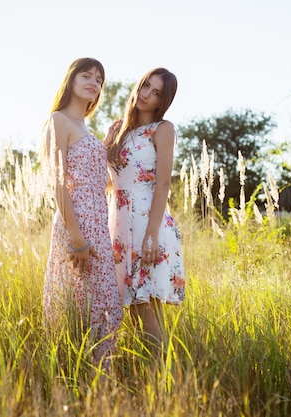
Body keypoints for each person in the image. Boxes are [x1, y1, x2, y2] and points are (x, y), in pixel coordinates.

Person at [42, 58, 123, 370]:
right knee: (81, 302)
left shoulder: (83, 127)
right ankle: (76, 375)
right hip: (76, 223)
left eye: (99, 79)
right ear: (71, 80)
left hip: (97, 222)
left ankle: (99, 379)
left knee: (102, 302)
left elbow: (96, 181)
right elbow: (58, 182)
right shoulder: (58, 120)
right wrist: (76, 238)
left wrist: (105, 144)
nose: (94, 82)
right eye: (86, 75)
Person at [105, 67, 185, 355]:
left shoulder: (162, 129)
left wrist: (151, 235)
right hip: (121, 223)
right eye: (145, 86)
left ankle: (163, 377)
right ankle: (153, 376)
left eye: (156, 93)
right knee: (136, 306)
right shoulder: (120, 131)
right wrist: (107, 143)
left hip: (146, 221)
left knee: (145, 303)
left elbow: (163, 183)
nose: (146, 95)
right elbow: (106, 184)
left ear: (163, 101)